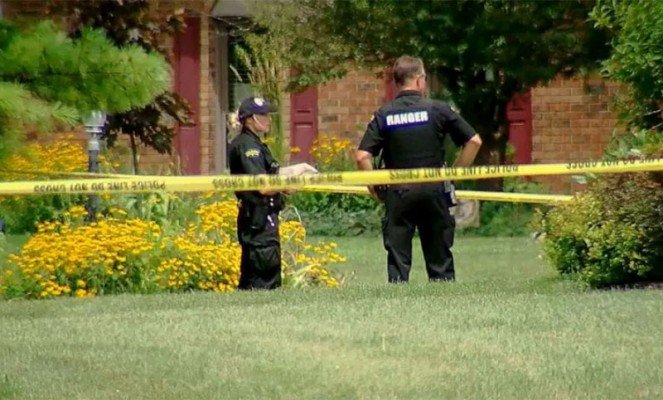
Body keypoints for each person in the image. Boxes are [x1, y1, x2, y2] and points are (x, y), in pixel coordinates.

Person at [355, 55, 482, 283]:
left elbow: (362, 156)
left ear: (397, 82)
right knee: (440, 256)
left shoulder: (384, 114)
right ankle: (442, 289)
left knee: (398, 259)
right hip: (434, 190)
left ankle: (398, 291)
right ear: (419, 79)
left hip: (398, 191)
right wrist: (454, 174)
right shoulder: (438, 109)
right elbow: (474, 141)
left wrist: (373, 186)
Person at [229, 96, 316, 290]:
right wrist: (287, 184)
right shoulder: (247, 146)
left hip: (263, 218)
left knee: (260, 275)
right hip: (257, 219)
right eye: (262, 115)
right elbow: (263, 186)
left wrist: (299, 169)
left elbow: (274, 173)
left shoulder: (256, 144)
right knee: (264, 278)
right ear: (249, 119)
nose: (268, 119)